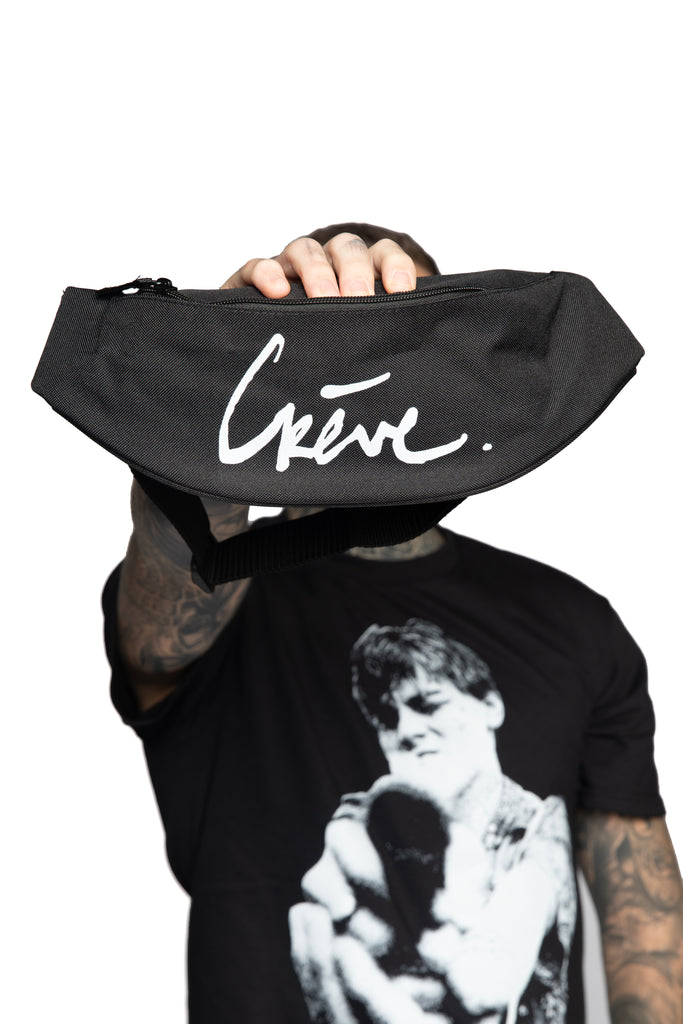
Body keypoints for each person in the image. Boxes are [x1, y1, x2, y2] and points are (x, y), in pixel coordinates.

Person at [105, 224, 683, 1023]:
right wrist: (219, 369)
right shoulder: (218, 603)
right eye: (330, 360)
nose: (359, 384)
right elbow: (172, 579)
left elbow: (640, 921)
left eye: (396, 351)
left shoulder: (573, 625)